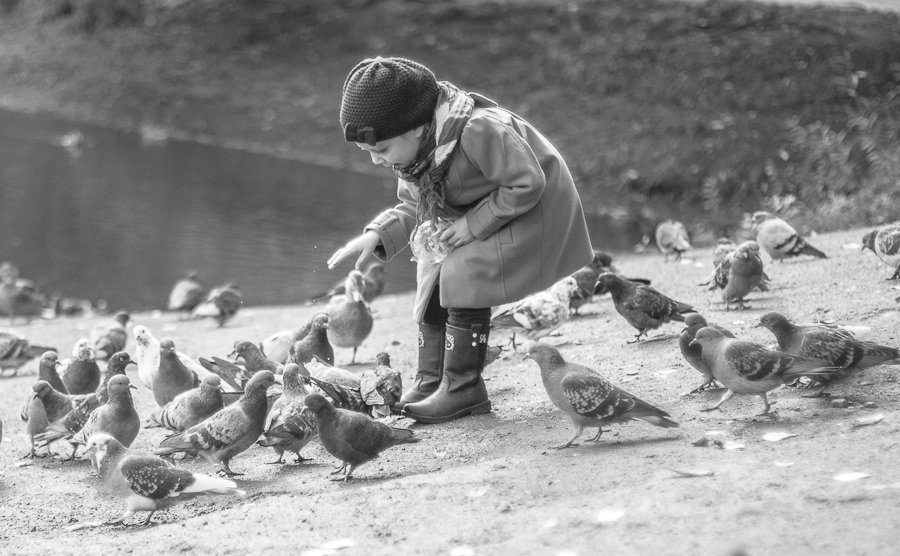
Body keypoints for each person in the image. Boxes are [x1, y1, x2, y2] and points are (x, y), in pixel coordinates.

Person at [327, 56, 594, 424]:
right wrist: (375, 234)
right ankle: (432, 378)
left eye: (381, 150)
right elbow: (414, 205)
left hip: (535, 210)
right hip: (490, 208)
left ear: (415, 129)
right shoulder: (416, 156)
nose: (376, 161)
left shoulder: (478, 131)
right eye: (369, 153)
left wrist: (471, 225)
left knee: (464, 269)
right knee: (431, 267)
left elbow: (527, 183)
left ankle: (463, 387)